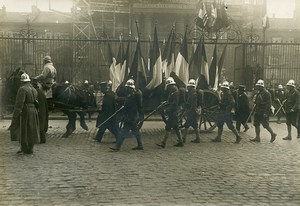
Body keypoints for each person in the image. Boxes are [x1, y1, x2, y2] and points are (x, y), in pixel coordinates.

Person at [110, 79, 143, 151]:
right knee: (134, 130)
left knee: (124, 131)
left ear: (131, 87)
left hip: (132, 116)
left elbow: (139, 106)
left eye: (128, 87)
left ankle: (117, 146)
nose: (126, 89)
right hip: (129, 115)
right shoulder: (130, 94)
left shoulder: (135, 94)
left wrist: (140, 116)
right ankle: (140, 145)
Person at [10, 73, 40, 154]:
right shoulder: (33, 89)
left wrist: (15, 114)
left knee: (24, 129)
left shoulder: (22, 89)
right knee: (32, 129)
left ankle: (24, 147)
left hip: (25, 110)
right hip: (33, 110)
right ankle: (30, 148)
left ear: (22, 82)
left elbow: (19, 103)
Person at [156, 77, 184, 148]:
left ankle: (163, 143)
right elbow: (170, 101)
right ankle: (181, 142)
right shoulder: (173, 90)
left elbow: (174, 103)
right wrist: (165, 103)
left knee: (168, 127)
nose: (168, 87)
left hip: (173, 113)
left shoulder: (174, 91)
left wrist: (167, 109)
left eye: (168, 86)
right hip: (173, 113)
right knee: (176, 127)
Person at [182, 79, 200, 143]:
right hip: (192, 111)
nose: (188, 88)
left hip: (192, 112)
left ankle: (183, 138)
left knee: (187, 125)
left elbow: (193, 105)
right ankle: (198, 138)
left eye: (189, 86)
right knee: (195, 125)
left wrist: (190, 111)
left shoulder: (193, 94)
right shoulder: (191, 93)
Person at [32, 77, 49, 144]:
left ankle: (40, 139)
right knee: (41, 125)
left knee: (38, 125)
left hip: (38, 110)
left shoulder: (34, 92)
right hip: (43, 110)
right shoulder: (40, 92)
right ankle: (42, 139)